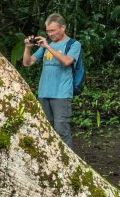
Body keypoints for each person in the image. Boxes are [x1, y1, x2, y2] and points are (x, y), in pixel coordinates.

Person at [22, 13, 81, 149]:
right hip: (44, 93)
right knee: (46, 131)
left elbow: (67, 61)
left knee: (62, 131)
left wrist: (48, 46)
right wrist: (28, 48)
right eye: (48, 31)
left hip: (61, 94)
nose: (50, 34)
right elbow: (28, 63)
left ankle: (68, 165)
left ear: (63, 28)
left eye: (52, 30)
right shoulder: (45, 46)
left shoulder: (73, 44)